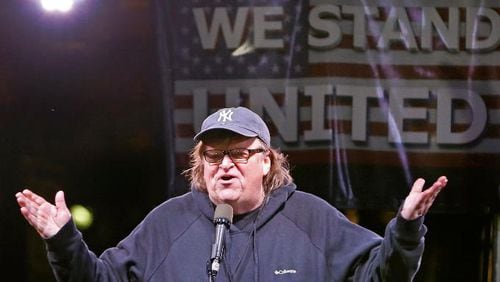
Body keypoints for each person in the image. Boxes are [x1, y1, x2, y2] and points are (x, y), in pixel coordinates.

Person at [16, 106, 448, 281]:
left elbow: (382, 276)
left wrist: (406, 229)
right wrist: (64, 241)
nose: (225, 164)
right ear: (199, 165)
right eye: (213, 154)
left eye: (239, 153)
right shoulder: (169, 222)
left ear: (267, 161)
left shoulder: (312, 218)